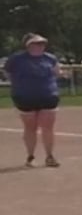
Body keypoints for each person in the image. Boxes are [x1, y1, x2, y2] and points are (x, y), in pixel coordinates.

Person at [6, 33, 61, 168]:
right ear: (28, 45)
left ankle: (49, 156)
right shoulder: (17, 59)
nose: (40, 46)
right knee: (30, 127)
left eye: (42, 43)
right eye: (36, 43)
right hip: (25, 97)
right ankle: (30, 156)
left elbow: (56, 72)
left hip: (48, 95)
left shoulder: (50, 58)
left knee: (48, 127)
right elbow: (8, 73)